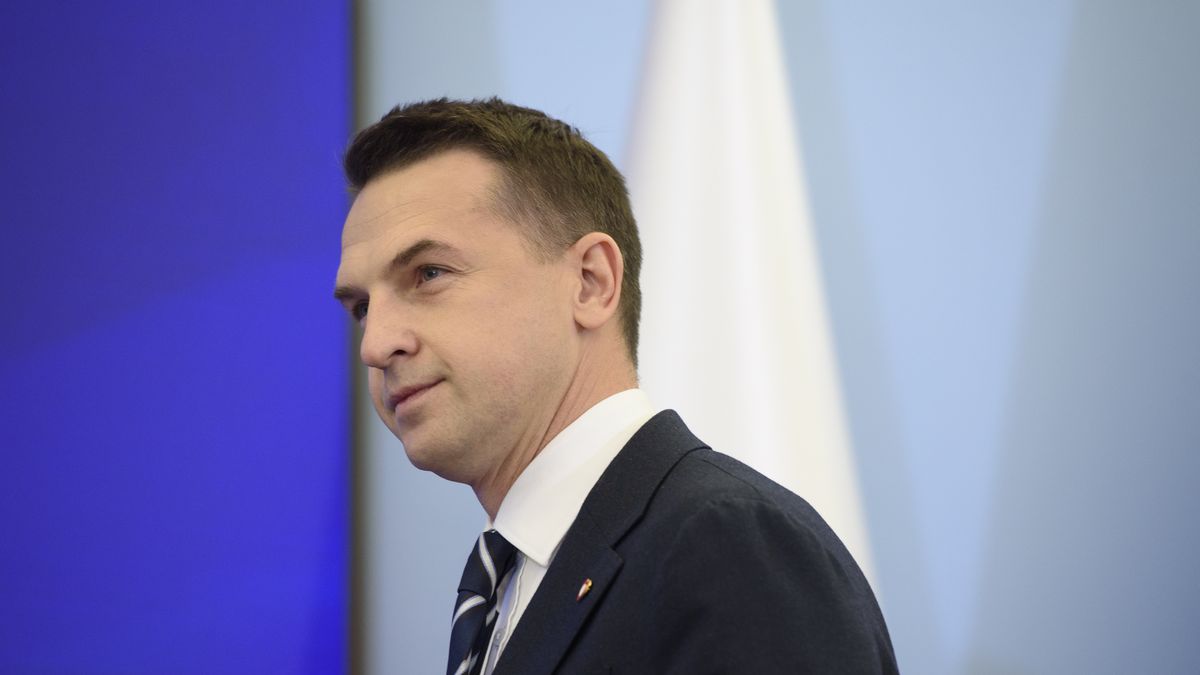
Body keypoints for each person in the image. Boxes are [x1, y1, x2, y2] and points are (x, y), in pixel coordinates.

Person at [334, 98, 898, 674]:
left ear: (590, 283)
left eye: (429, 274)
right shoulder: (510, 586)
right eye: (360, 308)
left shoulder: (726, 545)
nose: (375, 345)